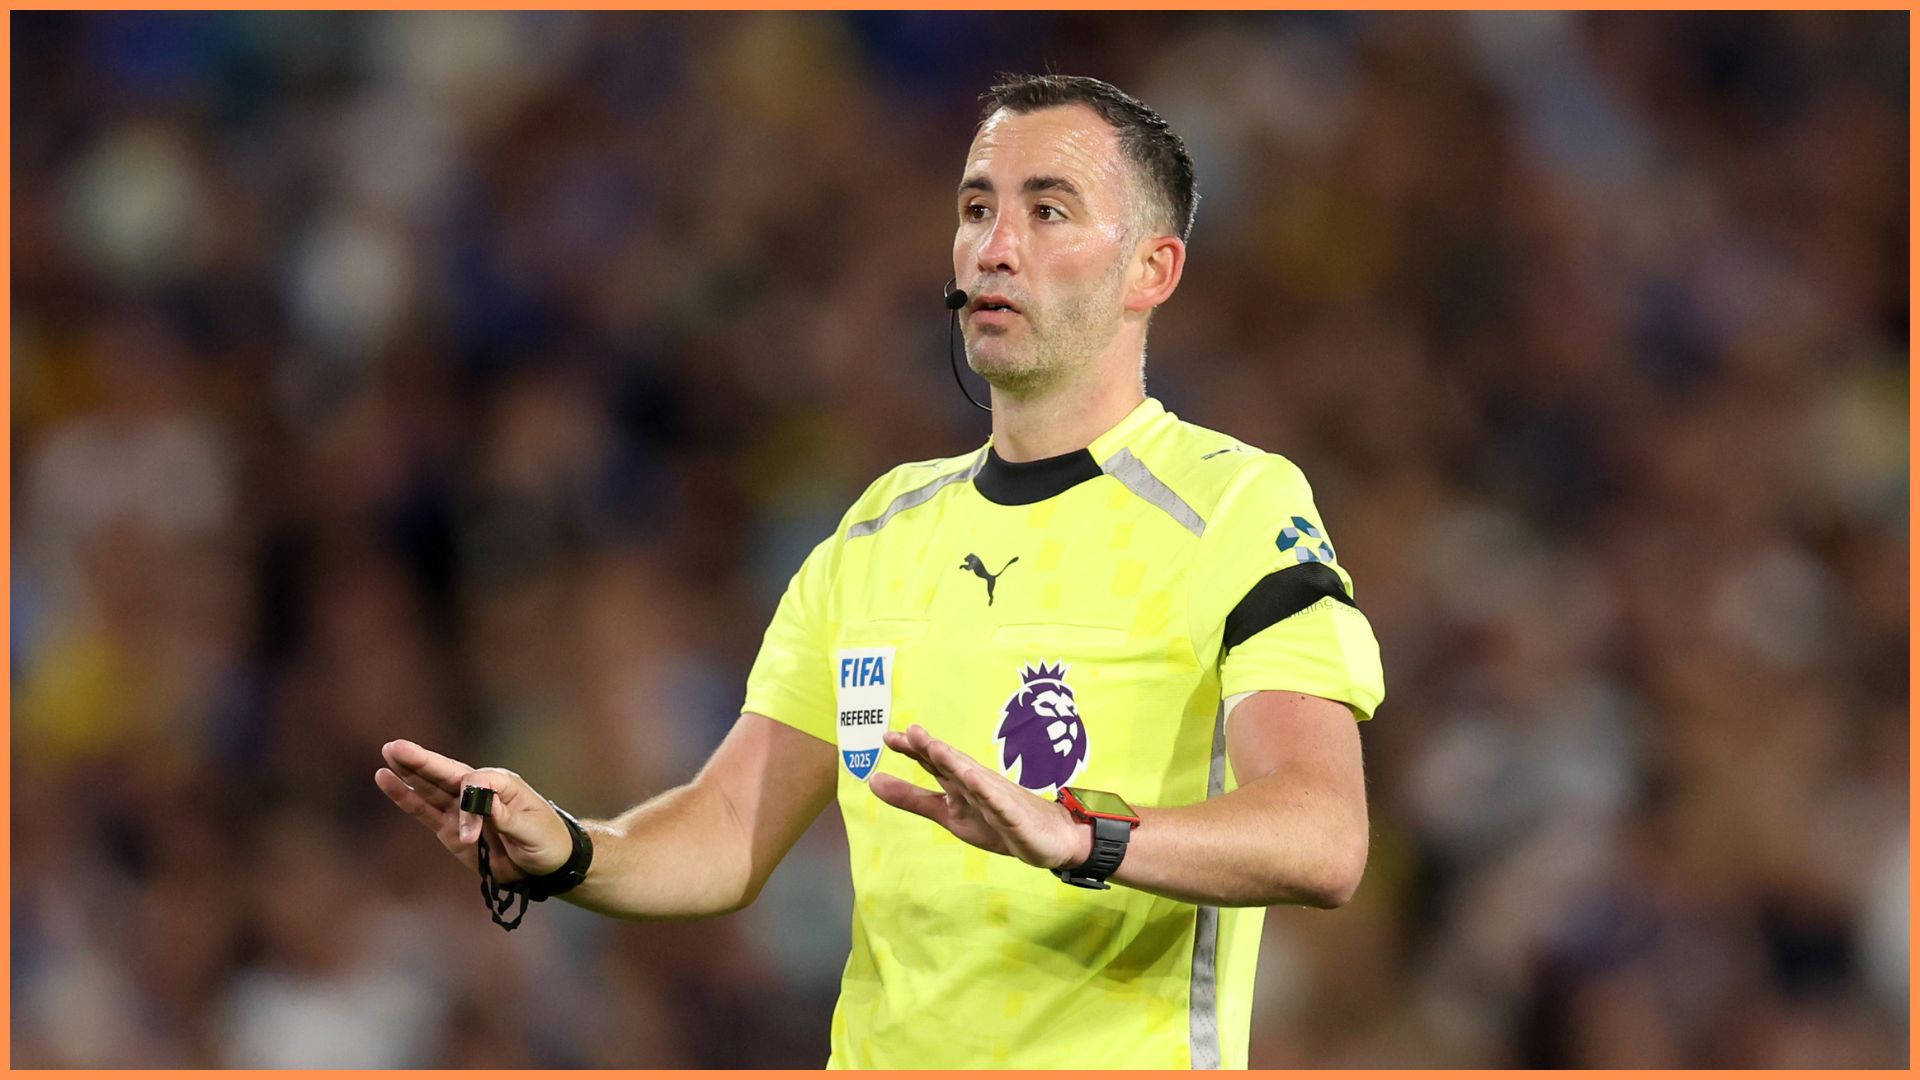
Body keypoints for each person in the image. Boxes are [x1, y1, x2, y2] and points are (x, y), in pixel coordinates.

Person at [376, 73, 1385, 1070]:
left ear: (1150, 270)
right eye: (978, 208)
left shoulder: (1236, 506)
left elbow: (1323, 835)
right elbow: (729, 829)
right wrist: (573, 849)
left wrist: (1082, 835)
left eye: (1049, 210)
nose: (995, 247)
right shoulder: (875, 534)